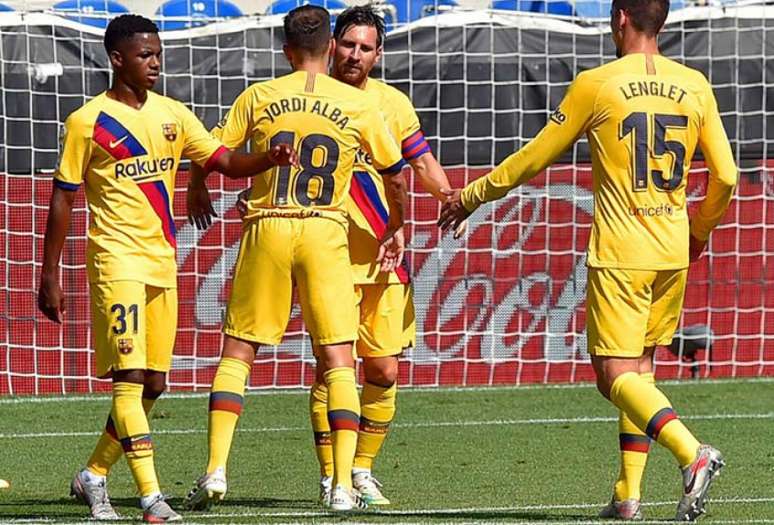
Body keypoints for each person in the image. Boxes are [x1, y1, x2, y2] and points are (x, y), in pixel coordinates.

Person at [438, 0, 737, 520]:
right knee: (640, 368)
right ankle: (628, 496)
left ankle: (693, 454)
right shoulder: (696, 84)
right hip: (672, 248)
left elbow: (534, 156)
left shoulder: (597, 83)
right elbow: (728, 176)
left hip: (623, 251)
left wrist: (473, 195)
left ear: (619, 17)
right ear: (661, 20)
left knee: (611, 374)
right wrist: (700, 231)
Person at [37, 14, 296, 523]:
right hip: (116, 262)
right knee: (129, 377)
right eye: (145, 55)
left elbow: (222, 159)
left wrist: (267, 158)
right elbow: (63, 200)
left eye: (157, 53)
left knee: (155, 384)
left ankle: (93, 474)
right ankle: (153, 498)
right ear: (117, 59)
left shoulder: (174, 114)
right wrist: (50, 273)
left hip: (162, 261)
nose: (156, 62)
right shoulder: (88, 122)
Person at [183, 5, 408, 512]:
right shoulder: (357, 104)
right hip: (325, 230)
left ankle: (216, 468)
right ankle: (343, 486)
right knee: (338, 360)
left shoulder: (259, 95)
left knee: (239, 353)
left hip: (267, 226)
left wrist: (197, 187)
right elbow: (395, 173)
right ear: (331, 48)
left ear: (286, 52)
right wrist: (398, 224)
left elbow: (212, 152)